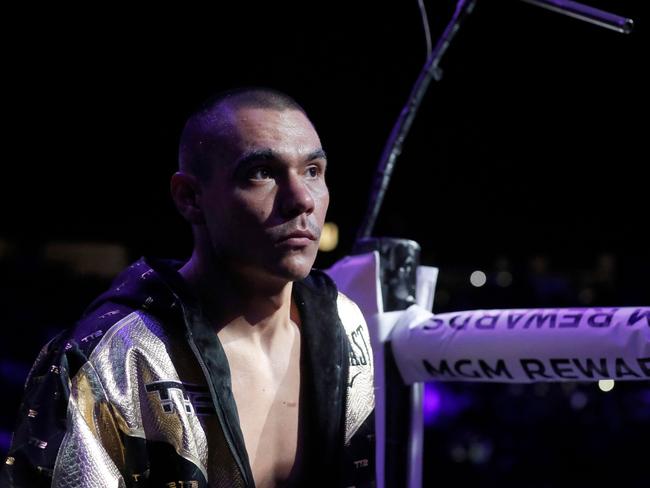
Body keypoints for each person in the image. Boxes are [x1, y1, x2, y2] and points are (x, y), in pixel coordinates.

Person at [0, 88, 376, 488]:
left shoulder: (346, 323)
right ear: (190, 198)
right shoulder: (116, 355)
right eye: (262, 172)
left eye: (313, 171)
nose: (301, 199)